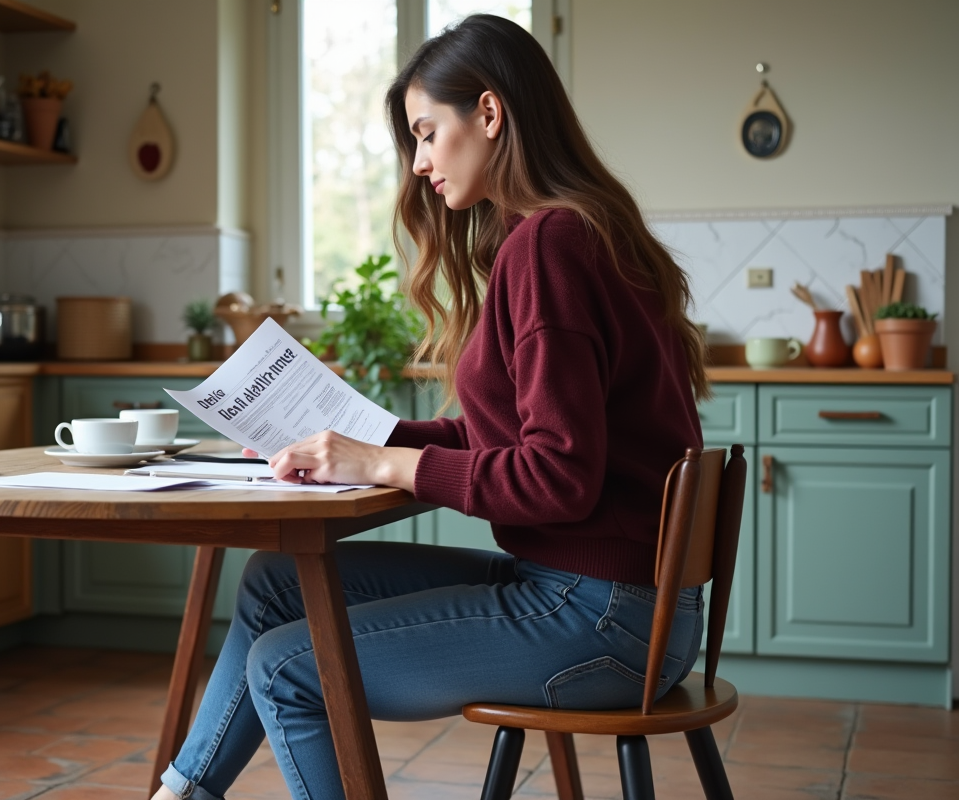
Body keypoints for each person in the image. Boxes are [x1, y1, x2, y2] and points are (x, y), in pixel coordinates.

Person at [154, 14, 708, 800]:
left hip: (601, 620)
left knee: (286, 668)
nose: (418, 164)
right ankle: (180, 792)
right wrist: (351, 441)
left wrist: (385, 463)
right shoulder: (579, 234)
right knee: (278, 580)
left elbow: (557, 478)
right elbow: (512, 435)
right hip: (613, 601)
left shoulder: (548, 246)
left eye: (426, 132)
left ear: (489, 114)